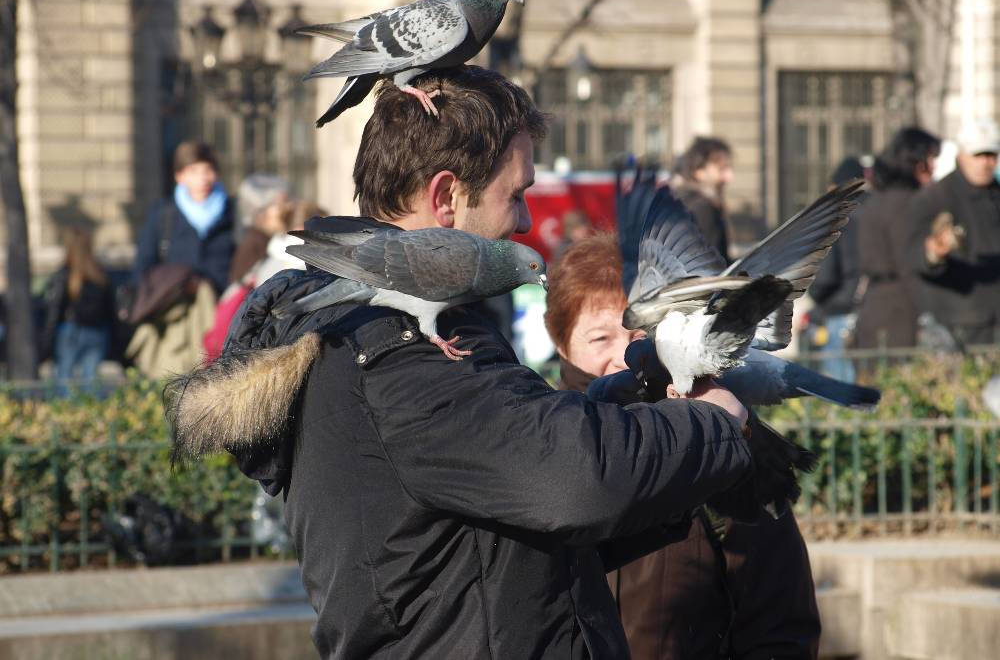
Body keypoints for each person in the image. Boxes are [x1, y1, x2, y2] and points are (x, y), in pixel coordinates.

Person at [168, 66, 753, 659]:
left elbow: (510, 545)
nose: (526, 222)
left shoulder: (387, 332)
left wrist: (620, 412)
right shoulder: (396, 353)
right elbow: (569, 477)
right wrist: (711, 424)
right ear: (445, 197)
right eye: (516, 195)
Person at [545, 234, 821, 660]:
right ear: (561, 343)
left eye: (641, 334)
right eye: (600, 339)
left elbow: (781, 624)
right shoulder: (541, 449)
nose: (624, 355)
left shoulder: (723, 439)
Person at [908, 118, 1000, 347]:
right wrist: (933, 252)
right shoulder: (935, 197)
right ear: (961, 156)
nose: (986, 162)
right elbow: (913, 254)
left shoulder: (996, 196)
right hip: (959, 324)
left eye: (991, 155)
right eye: (978, 155)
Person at [854, 127, 939, 351]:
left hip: (875, 306)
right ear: (915, 161)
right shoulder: (908, 203)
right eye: (930, 159)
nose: (934, 167)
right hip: (900, 312)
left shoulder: (878, 199)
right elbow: (908, 262)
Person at [133, 141, 235, 296]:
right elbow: (143, 266)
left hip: (223, 303)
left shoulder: (232, 211)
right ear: (179, 176)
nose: (202, 178)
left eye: (208, 170)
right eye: (193, 171)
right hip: (174, 303)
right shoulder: (163, 214)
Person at [807, 157, 866, 381]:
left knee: (839, 383)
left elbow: (825, 275)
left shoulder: (838, 217)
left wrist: (816, 295)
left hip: (838, 310)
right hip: (869, 308)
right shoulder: (876, 212)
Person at [41, 228, 115, 389]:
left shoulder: (64, 274)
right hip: (96, 331)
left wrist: (47, 339)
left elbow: (54, 310)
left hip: (70, 330)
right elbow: (110, 310)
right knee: (91, 381)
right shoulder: (100, 275)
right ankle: (90, 406)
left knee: (64, 378)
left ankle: (65, 406)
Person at [672, 136, 734, 262]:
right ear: (698, 171)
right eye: (721, 169)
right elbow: (714, 266)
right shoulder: (703, 208)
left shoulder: (681, 203)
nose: (729, 177)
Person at [229, 174, 292, 285]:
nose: (288, 208)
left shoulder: (273, 239)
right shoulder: (254, 243)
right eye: (280, 204)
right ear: (262, 211)